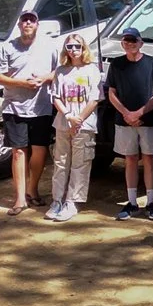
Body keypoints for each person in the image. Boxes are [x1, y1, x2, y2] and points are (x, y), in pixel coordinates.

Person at [0, 8, 55, 215]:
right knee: (18, 152)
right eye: (24, 20)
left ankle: (32, 190)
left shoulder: (49, 47)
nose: (28, 24)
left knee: (39, 151)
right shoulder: (8, 47)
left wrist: (44, 79)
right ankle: (19, 199)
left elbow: (59, 71)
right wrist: (21, 83)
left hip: (42, 107)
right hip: (14, 106)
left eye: (32, 21)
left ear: (37, 24)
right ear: (19, 25)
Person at [101, 27, 153, 221]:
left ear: (140, 43)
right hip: (124, 120)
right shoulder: (116, 64)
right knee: (129, 159)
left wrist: (140, 112)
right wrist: (126, 113)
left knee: (149, 159)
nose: (129, 44)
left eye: (133, 40)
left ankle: (151, 202)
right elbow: (111, 92)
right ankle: (131, 202)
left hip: (149, 119)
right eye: (126, 41)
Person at [46, 32, 101, 222]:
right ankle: (57, 200)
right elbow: (55, 96)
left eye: (77, 46)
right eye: (70, 47)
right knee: (60, 162)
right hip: (63, 122)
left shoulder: (91, 70)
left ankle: (72, 201)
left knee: (80, 163)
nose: (73, 50)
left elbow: (94, 98)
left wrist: (78, 119)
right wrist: (68, 116)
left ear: (83, 48)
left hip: (84, 124)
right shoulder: (61, 70)